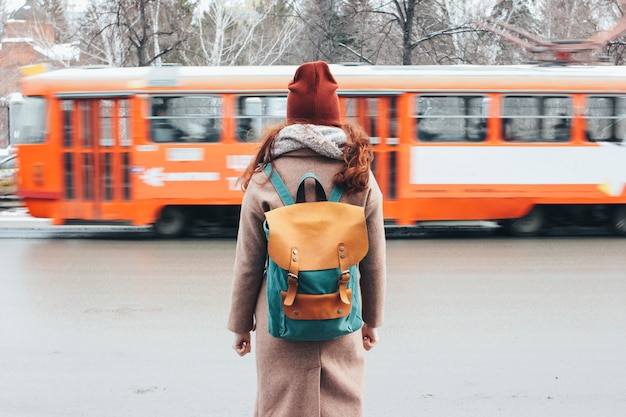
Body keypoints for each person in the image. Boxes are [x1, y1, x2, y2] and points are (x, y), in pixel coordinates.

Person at [227, 61, 386, 417]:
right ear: (336, 116)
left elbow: (249, 263)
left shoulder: (264, 176)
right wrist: (371, 320)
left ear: (290, 118)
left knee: (281, 406)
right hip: (340, 313)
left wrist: (241, 326)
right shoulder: (359, 175)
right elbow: (374, 262)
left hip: (279, 319)